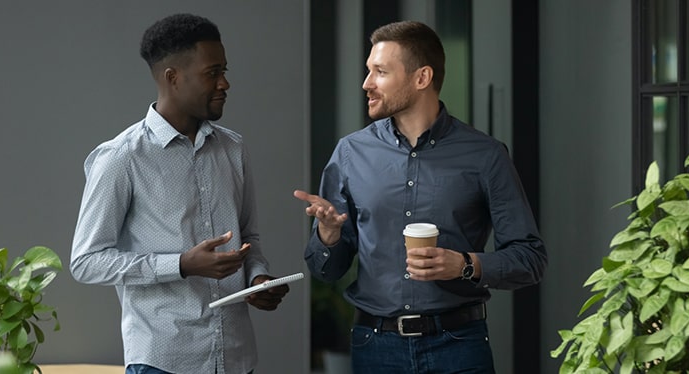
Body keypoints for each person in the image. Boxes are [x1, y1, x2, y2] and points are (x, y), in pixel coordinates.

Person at [294, 20, 547, 373]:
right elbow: (325, 269)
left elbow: (530, 258)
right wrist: (328, 236)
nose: (366, 84)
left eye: (380, 72)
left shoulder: (485, 155)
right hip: (375, 347)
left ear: (422, 78)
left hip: (459, 346)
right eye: (369, 71)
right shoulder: (351, 153)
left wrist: (464, 265)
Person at [71, 13, 289, 374]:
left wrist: (258, 279)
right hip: (163, 361)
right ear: (173, 78)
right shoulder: (121, 157)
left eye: (225, 70)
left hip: (236, 358)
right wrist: (181, 265)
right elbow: (86, 261)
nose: (225, 83)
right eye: (212, 73)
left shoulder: (233, 149)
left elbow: (248, 237)